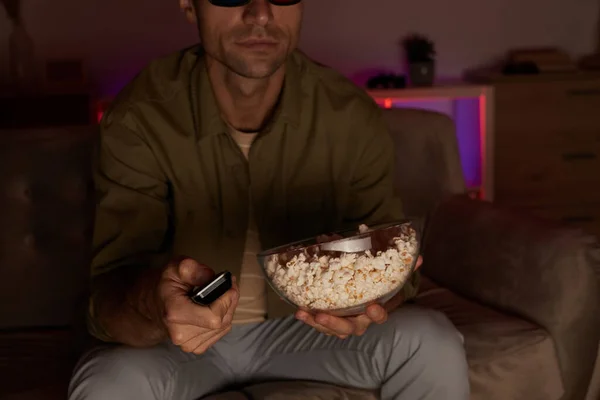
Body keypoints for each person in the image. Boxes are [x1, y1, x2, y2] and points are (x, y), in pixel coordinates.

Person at [68, 0, 470, 399]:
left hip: (306, 331)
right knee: (107, 381)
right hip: (176, 347)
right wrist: (158, 305)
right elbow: (107, 299)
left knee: (432, 342)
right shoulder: (139, 118)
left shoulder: (350, 114)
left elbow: (392, 263)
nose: (260, 12)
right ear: (189, 6)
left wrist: (380, 293)